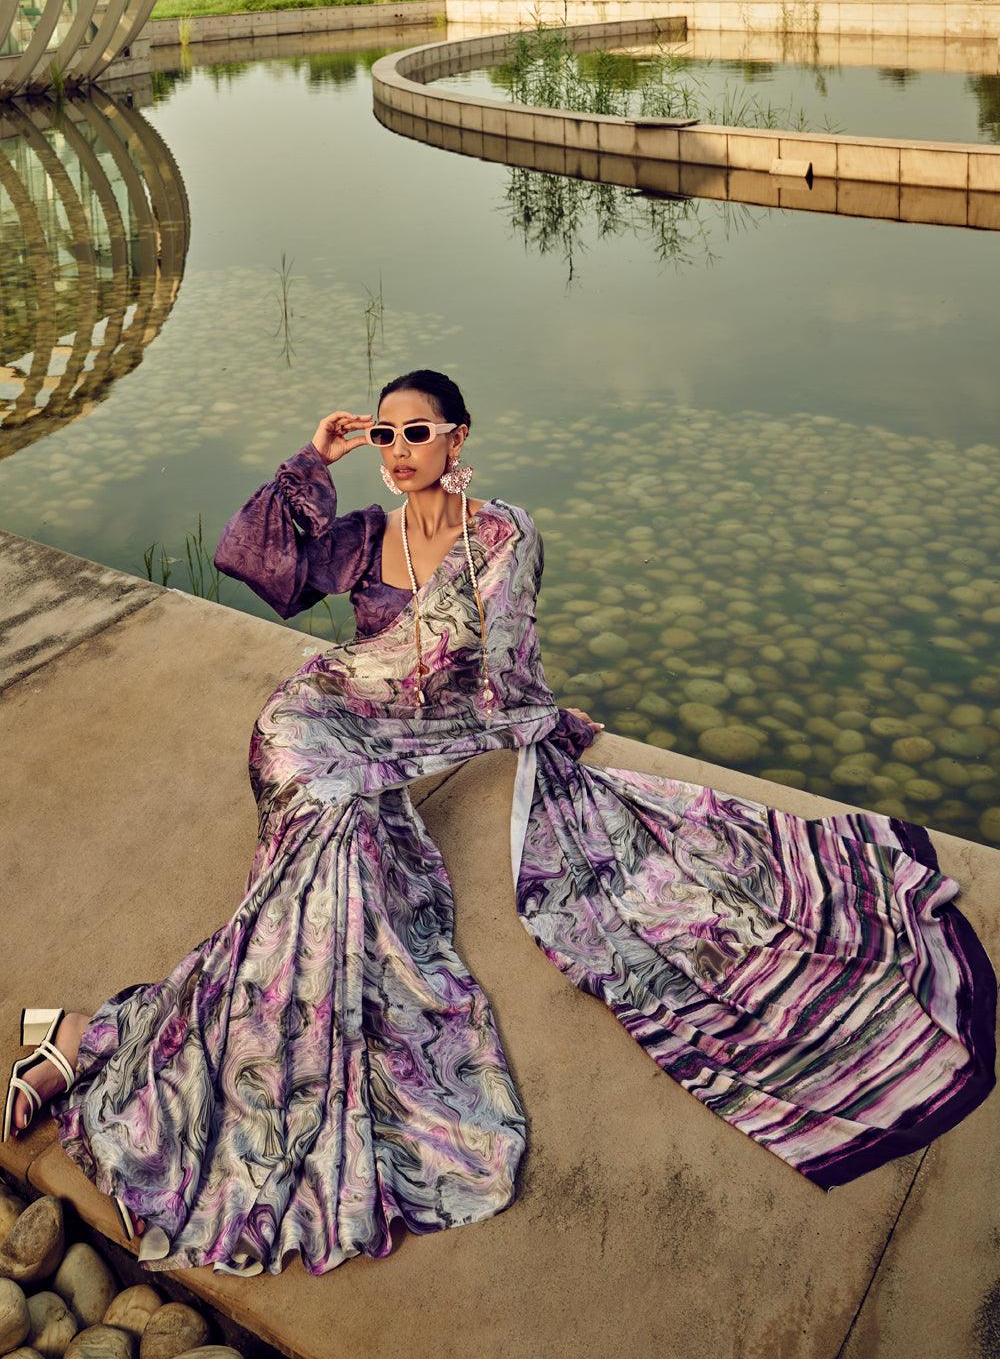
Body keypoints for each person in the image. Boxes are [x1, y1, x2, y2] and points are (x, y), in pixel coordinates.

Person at [5, 368, 995, 1279]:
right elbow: (249, 559)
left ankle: (94, 1040)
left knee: (338, 890)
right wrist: (314, 459)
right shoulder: (362, 537)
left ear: (458, 436)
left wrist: (539, 720)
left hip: (388, 754)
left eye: (416, 431)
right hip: (311, 727)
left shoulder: (502, 535)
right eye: (384, 433)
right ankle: (116, 1047)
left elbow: (503, 673)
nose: (398, 449)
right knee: (330, 867)